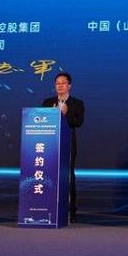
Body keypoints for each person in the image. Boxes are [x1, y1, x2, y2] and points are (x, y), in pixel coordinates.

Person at [42, 72, 85, 223]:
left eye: (63, 83)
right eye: (57, 83)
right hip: (49, 144)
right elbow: (42, 121)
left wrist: (65, 114)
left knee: (68, 175)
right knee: (49, 173)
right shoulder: (47, 102)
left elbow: (78, 123)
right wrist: (53, 115)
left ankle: (70, 210)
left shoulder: (77, 103)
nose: (60, 86)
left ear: (69, 86)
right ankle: (48, 206)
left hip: (68, 143)